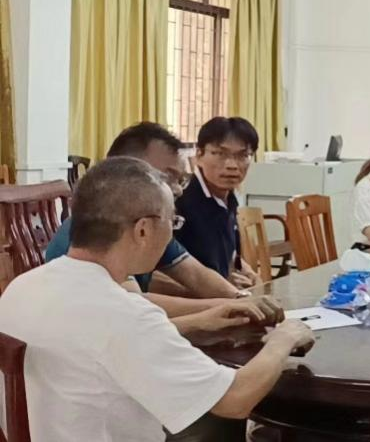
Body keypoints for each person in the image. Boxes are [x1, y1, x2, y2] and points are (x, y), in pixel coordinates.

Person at [0, 157, 316, 442]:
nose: (172, 235)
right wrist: (284, 338)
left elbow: (98, 345)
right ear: (142, 230)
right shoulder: (125, 313)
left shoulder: (22, 287)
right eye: (172, 222)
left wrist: (200, 323)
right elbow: (235, 399)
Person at [43, 122, 274, 320]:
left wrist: (242, 299)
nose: (178, 190)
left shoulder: (150, 224)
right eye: (167, 177)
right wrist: (225, 308)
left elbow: (195, 275)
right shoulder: (93, 228)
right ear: (125, 170)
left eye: (180, 180)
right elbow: (132, 305)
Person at [175, 117, 262, 287]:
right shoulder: (181, 200)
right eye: (220, 154)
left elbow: (228, 252)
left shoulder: (228, 199)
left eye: (243, 155)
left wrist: (251, 274)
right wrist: (219, 286)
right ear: (199, 155)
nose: (232, 165)